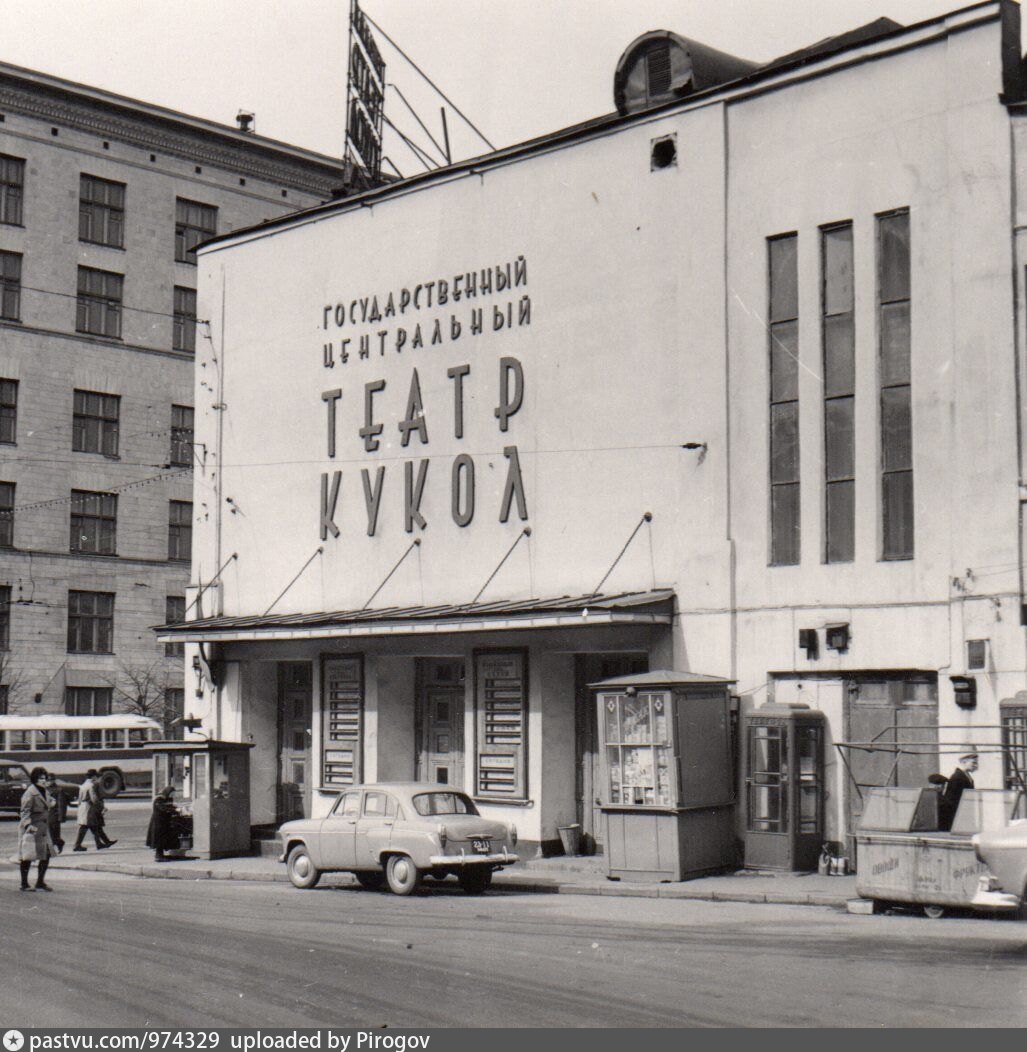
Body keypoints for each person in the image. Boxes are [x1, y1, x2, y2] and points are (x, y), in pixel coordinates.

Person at [19, 767, 55, 891]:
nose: (43, 780)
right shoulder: (30, 793)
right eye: (40, 778)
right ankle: (24, 883)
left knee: (46, 854)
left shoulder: (44, 791)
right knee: (28, 855)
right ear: (34, 779)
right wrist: (29, 827)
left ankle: (40, 881)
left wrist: (52, 802)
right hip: (33, 828)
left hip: (44, 829)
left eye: (45, 778)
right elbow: (25, 811)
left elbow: (48, 803)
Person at [72, 769, 115, 851]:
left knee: (92, 826)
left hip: (82, 807)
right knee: (85, 826)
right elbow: (94, 799)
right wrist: (102, 807)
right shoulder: (91, 785)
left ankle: (99, 844)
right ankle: (77, 845)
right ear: (93, 776)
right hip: (89, 808)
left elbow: (79, 798)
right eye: (95, 776)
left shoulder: (83, 785)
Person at [939, 749, 978, 831]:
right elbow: (951, 801)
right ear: (964, 762)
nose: (976, 765)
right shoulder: (957, 777)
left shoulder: (965, 776)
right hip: (957, 818)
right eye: (973, 763)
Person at [146, 785, 178, 861]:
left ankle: (161, 855)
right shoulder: (159, 799)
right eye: (172, 793)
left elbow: (170, 807)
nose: (172, 795)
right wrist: (174, 810)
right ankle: (158, 856)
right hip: (158, 823)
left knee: (163, 839)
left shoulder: (168, 799)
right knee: (159, 839)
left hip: (164, 822)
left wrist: (175, 809)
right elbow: (164, 808)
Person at [44, 772, 65, 854]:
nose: (49, 782)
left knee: (53, 833)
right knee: (48, 833)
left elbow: (61, 804)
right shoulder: (44, 789)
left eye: (51, 780)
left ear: (54, 780)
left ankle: (52, 848)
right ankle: (58, 844)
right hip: (46, 814)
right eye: (47, 780)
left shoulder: (59, 790)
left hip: (54, 814)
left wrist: (61, 816)